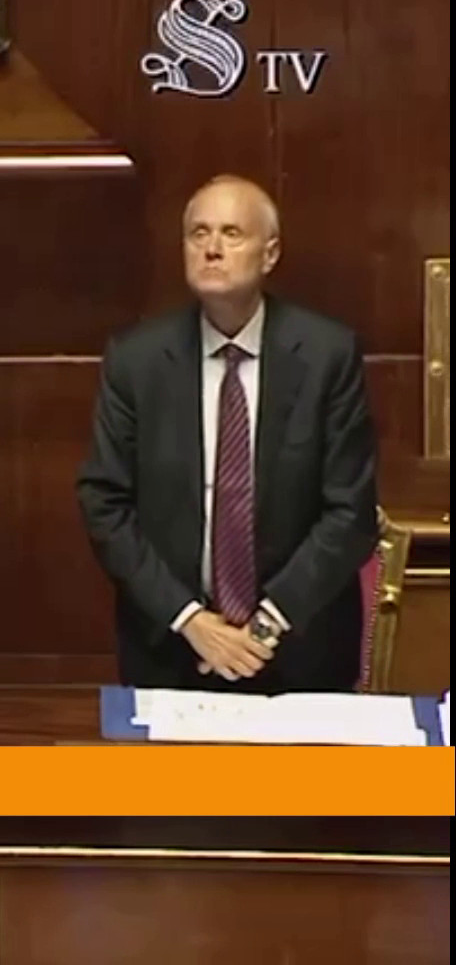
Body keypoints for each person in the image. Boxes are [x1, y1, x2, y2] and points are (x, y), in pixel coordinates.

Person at [77, 175, 378, 692]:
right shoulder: (136, 361)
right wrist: (191, 621)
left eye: (232, 233)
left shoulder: (327, 355)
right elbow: (104, 502)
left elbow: (350, 513)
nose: (212, 248)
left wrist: (261, 630)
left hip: (299, 650)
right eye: (199, 233)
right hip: (172, 651)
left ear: (270, 253)